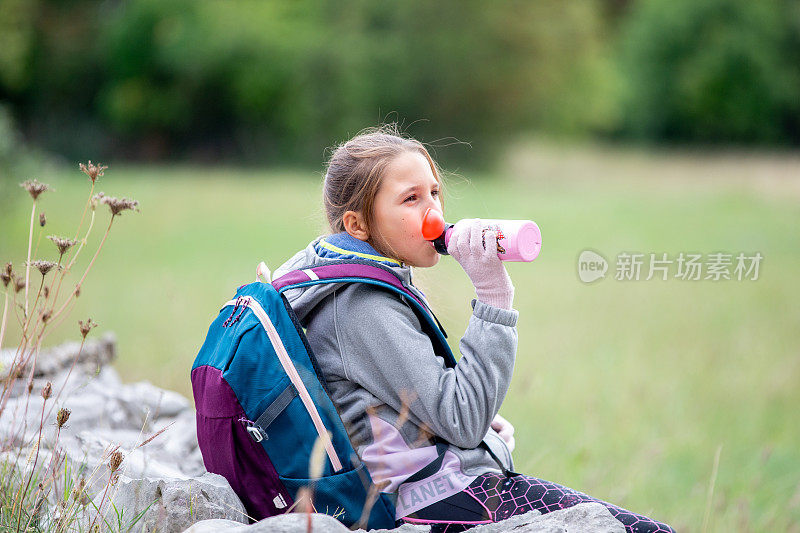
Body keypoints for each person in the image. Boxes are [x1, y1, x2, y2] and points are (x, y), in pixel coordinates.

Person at [273, 125, 674, 533]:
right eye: (410, 199)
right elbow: (463, 420)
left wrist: (484, 427)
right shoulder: (361, 305)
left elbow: (428, 409)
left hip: (443, 488)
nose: (434, 213)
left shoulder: (350, 284)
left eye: (433, 192)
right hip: (437, 500)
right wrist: (493, 293)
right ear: (357, 226)